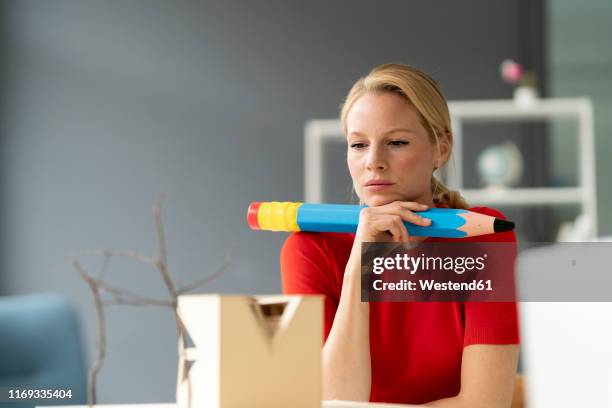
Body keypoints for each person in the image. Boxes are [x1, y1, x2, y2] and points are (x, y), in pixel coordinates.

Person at [280, 63, 519, 407]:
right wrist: (360, 266)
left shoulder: (483, 237)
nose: (373, 161)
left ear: (442, 148)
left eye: (396, 142)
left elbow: (484, 404)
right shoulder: (308, 249)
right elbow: (333, 401)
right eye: (359, 145)